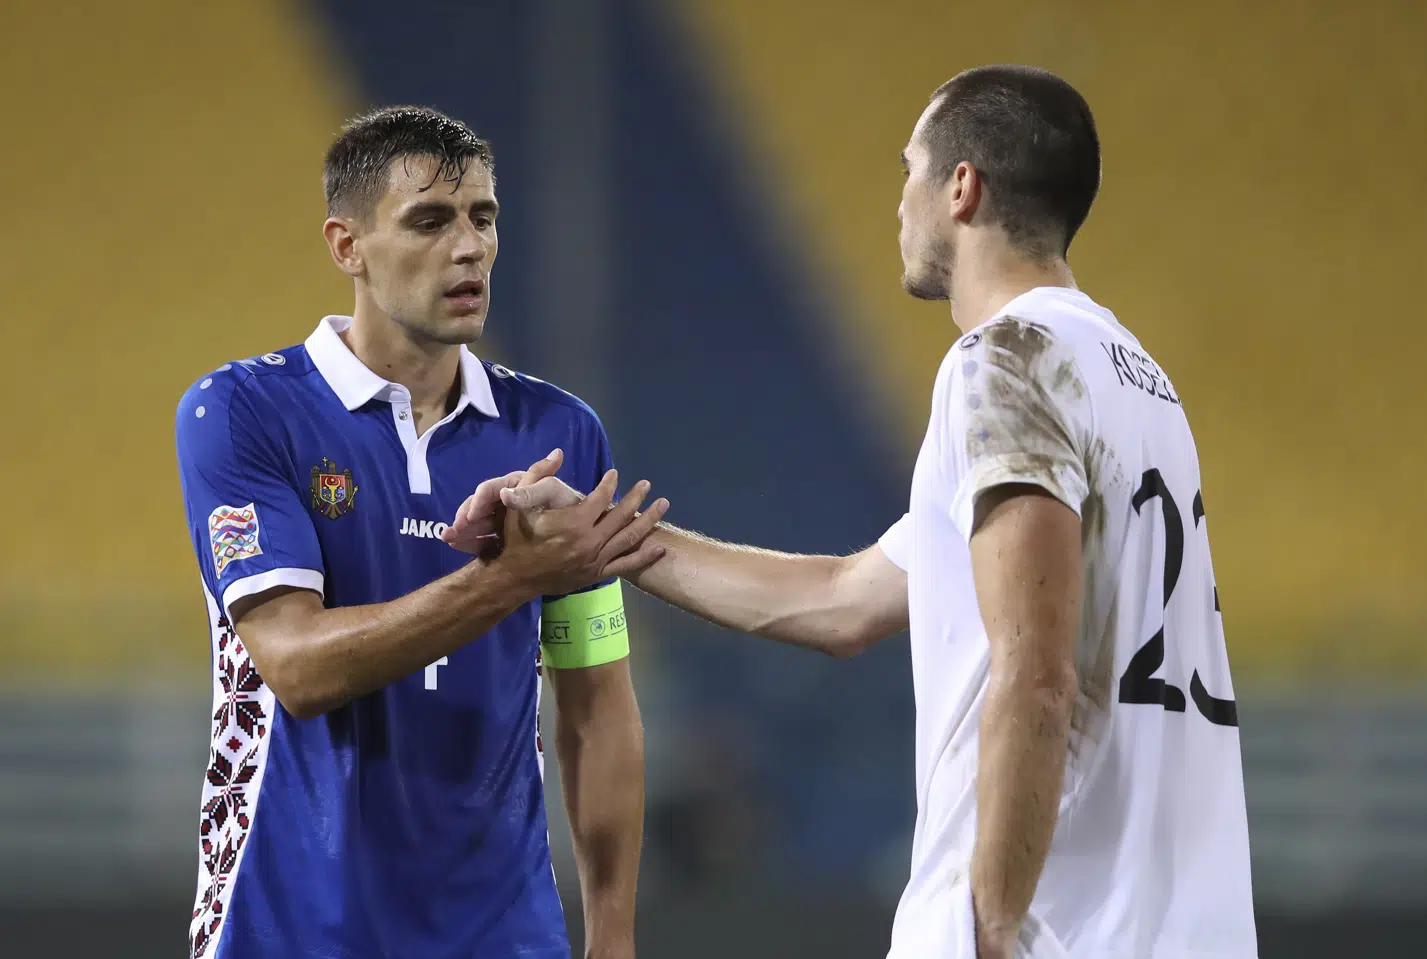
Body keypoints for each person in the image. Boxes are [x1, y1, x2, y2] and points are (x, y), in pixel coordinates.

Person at [450, 65, 1258, 959]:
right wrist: (601, 538)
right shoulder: (1132, 378)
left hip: (1061, 929)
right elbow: (844, 600)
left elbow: (1034, 671)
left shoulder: (1004, 363)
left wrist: (988, 928)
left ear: (962, 187)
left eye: (910, 168)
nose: (900, 200)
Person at [173, 106, 668, 959]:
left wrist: (613, 935)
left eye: (483, 217)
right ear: (347, 246)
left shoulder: (558, 431)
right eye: (430, 221)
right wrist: (508, 578)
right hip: (290, 927)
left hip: (504, 935)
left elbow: (597, 705)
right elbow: (299, 666)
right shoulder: (243, 412)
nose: (469, 246)